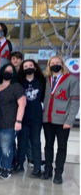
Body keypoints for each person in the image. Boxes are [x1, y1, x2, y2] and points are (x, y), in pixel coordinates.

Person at [40, 56, 79, 184]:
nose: (55, 65)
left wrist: (70, 120)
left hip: (63, 120)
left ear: (62, 65)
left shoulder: (72, 79)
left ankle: (58, 173)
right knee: (48, 146)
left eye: (58, 63)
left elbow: (75, 102)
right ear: (49, 65)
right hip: (47, 118)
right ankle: (47, 170)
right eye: (52, 63)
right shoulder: (46, 79)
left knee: (61, 147)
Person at [0, 64, 26, 180]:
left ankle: (6, 169)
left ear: (13, 74)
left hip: (9, 123)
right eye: (5, 70)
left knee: (6, 148)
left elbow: (22, 104)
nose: (8, 72)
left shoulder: (16, 87)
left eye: (10, 71)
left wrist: (18, 121)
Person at [14, 59, 46, 178]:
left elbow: (43, 98)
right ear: (22, 69)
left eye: (30, 65)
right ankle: (20, 164)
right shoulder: (20, 82)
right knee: (21, 142)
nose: (28, 67)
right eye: (26, 66)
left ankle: (37, 167)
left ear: (35, 67)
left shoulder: (41, 81)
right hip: (23, 117)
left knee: (35, 142)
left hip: (36, 117)